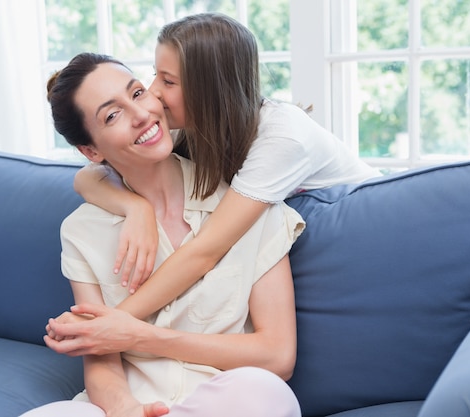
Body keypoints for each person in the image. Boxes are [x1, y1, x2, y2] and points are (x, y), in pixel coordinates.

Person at [22, 52, 304, 417]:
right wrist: (126, 410)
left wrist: (141, 336)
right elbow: (101, 359)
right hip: (129, 404)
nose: (141, 115)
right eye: (112, 115)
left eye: (137, 93)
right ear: (90, 150)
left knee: (265, 393)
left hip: (223, 400)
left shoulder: (246, 205)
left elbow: (278, 356)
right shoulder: (83, 231)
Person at [71, 12, 382, 321]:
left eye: (168, 81)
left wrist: (110, 325)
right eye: (155, 74)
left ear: (210, 91)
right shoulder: (192, 126)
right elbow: (88, 177)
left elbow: (205, 251)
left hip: (365, 233)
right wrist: (135, 208)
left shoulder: (284, 136)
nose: (153, 91)